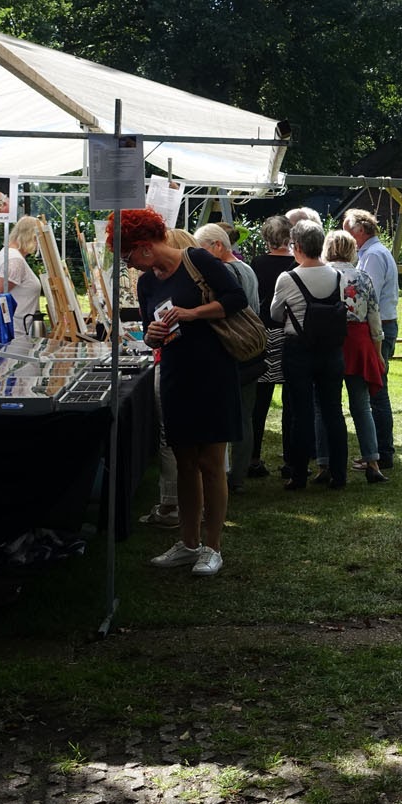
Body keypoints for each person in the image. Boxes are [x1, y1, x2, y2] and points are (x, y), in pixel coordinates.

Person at [122, 209, 245, 578]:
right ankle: (188, 542)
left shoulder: (198, 260)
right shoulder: (146, 283)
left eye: (128, 256)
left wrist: (191, 313)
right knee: (183, 462)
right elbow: (148, 328)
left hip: (213, 371)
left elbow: (236, 299)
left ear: (145, 247)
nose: (129, 264)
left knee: (210, 462)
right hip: (175, 372)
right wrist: (151, 335)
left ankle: (213, 546)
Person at [270, 220, 348, 490]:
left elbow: (275, 314)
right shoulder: (337, 276)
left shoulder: (288, 278)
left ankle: (299, 475)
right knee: (333, 412)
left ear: (298, 247)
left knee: (300, 415)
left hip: (298, 350)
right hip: (332, 350)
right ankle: (339, 475)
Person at [137, 228, 200, 530]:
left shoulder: (186, 286)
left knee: (173, 438)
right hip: (179, 365)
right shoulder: (152, 284)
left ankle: (172, 504)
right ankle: (182, 505)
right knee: (187, 441)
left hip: (180, 368)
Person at [195, 223, 260, 492]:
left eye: (201, 250)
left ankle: (226, 478)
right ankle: (238, 476)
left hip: (231, 349)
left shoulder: (224, 271)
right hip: (250, 350)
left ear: (217, 246)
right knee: (245, 415)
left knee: (225, 417)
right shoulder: (247, 268)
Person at [324, 229, 388, 483]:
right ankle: (372, 461)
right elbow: (374, 316)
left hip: (330, 342)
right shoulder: (362, 277)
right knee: (361, 406)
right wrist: (378, 351)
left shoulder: (322, 275)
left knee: (325, 407)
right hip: (359, 343)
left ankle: (324, 462)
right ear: (352, 249)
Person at [344, 209, 399, 469]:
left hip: (380, 327)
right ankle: (379, 452)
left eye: (348, 229)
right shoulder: (371, 253)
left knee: (377, 393)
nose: (345, 235)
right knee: (376, 392)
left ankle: (382, 453)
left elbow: (368, 298)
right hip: (381, 325)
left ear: (360, 231)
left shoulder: (373, 256)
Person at [247, 215, 296, 480]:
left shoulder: (257, 263)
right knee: (291, 401)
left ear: (266, 238)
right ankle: (291, 459)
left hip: (265, 333)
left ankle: (253, 458)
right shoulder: (295, 263)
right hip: (289, 333)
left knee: (260, 402)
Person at [0, 216, 46, 339]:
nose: (38, 244)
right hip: (16, 332)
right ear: (30, 236)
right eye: (37, 239)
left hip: (17, 329)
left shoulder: (10, 254)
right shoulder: (15, 260)